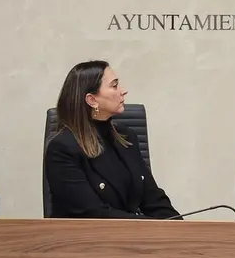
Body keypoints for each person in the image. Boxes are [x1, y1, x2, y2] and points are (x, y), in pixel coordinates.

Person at [44, 60, 180, 219]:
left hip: (130, 234)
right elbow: (93, 213)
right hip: (87, 239)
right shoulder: (63, 148)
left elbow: (153, 199)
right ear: (92, 100)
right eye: (114, 86)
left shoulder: (126, 137)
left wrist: (183, 230)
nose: (123, 91)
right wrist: (153, 227)